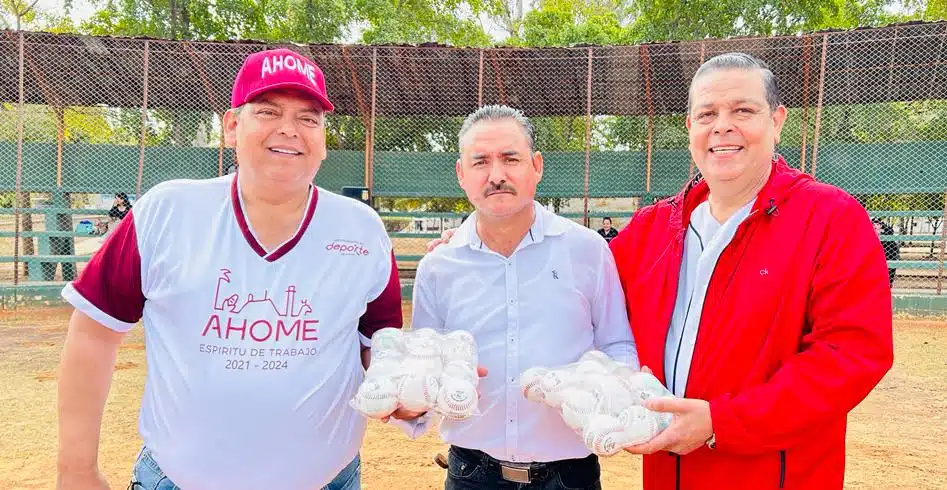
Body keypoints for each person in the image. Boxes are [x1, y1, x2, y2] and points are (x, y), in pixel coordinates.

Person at [55, 48, 405, 490]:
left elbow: (377, 344)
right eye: (267, 111)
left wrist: (408, 384)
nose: (289, 130)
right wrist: (76, 471)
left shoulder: (361, 230)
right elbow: (93, 332)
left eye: (308, 118)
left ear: (323, 138)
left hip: (327, 480)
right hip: (178, 480)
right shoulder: (166, 211)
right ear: (232, 126)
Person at [610, 53, 894, 489]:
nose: (722, 126)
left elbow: (852, 355)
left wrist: (720, 421)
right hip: (669, 474)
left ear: (777, 121)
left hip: (774, 474)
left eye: (743, 110)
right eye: (707, 114)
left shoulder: (831, 218)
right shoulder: (653, 228)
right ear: (690, 129)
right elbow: (580, 294)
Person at [400, 105, 639, 490]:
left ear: (536, 166)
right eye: (480, 162)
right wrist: (417, 397)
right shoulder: (438, 267)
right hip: (472, 475)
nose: (497, 175)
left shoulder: (588, 250)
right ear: (462, 174)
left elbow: (617, 343)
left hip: (570, 476)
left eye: (511, 158)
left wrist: (609, 394)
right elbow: (424, 367)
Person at [873, 218, 900, 287]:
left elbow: (890, 232)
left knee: (890, 267)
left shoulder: (887, 231)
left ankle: (888, 282)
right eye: (874, 224)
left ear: (881, 225)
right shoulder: (870, 231)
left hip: (889, 252)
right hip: (877, 253)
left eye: (878, 224)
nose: (875, 226)